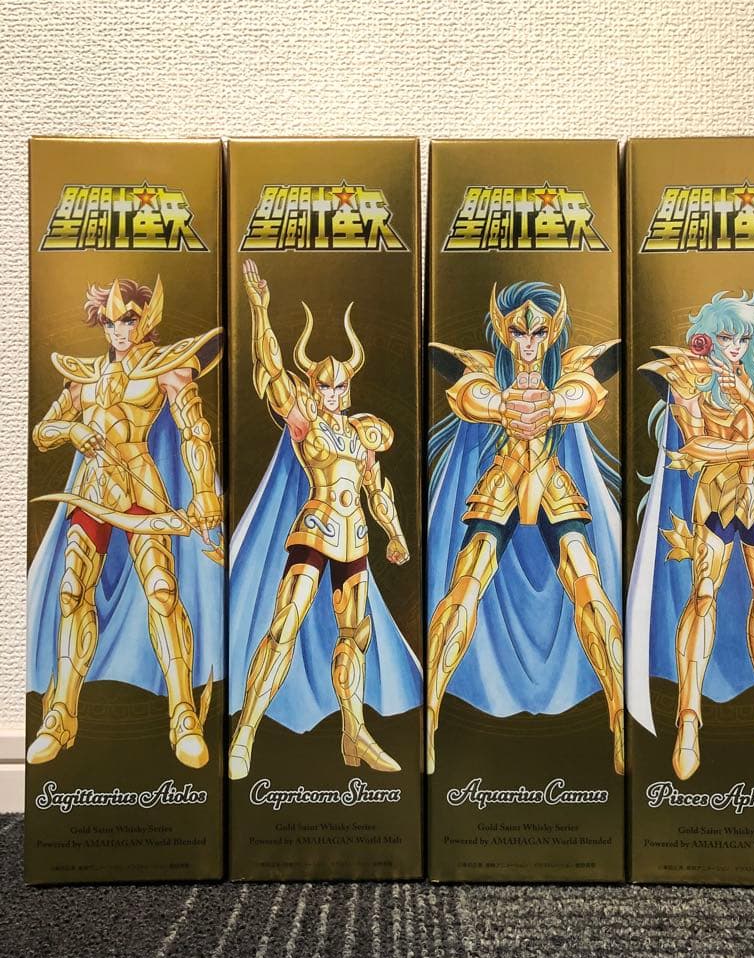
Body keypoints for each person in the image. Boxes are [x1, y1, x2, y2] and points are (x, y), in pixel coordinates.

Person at [227, 260, 420, 780]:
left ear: (349, 388)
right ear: (314, 387)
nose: (332, 392)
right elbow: (271, 371)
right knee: (285, 625)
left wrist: (396, 535)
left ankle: (354, 733)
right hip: (317, 529)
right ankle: (246, 732)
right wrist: (260, 309)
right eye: (324, 385)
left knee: (355, 636)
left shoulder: (362, 433)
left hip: (356, 537)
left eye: (340, 386)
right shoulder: (306, 423)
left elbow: (376, 488)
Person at [427, 281, 624, 775]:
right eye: (519, 332)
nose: (529, 342)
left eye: (538, 333)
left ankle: (619, 717)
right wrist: (502, 405)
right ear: (505, 332)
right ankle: (428, 716)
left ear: (551, 333)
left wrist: (553, 405)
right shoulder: (489, 370)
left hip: (551, 482)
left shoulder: (565, 369)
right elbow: (464, 386)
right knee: (464, 590)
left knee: (590, 591)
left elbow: (589, 386)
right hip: (504, 479)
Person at [27, 276, 223, 768]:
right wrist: (71, 428)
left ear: (146, 318)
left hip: (139, 484)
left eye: (129, 319)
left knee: (161, 589)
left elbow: (195, 432)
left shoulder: (163, 367)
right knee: (72, 591)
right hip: (92, 488)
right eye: (111, 321)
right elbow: (42, 432)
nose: (119, 330)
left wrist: (203, 492)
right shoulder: (85, 375)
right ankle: (61, 716)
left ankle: (183, 715)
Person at [627, 290, 754, 779]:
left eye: (743, 339)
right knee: (704, 595)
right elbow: (696, 445)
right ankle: (688, 718)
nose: (734, 347)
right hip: (715, 496)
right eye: (726, 336)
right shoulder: (688, 378)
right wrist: (751, 447)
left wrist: (749, 395)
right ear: (707, 336)